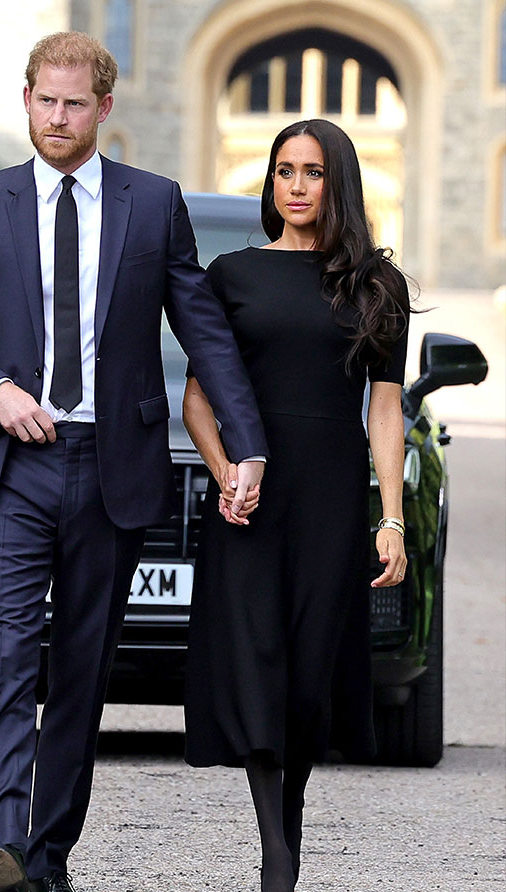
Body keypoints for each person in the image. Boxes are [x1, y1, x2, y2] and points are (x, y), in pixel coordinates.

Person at [0, 31, 267, 892]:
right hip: (7, 464)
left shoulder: (153, 204)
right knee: (8, 655)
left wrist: (247, 441)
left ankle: (46, 856)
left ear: (104, 108)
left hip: (113, 465)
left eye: (76, 104)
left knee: (79, 672)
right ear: (25, 99)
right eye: (45, 100)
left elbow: (202, 329)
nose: (58, 118)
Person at [182, 118, 410, 892]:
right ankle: (277, 856)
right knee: (256, 660)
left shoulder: (378, 284)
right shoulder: (232, 274)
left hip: (330, 497)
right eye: (284, 171)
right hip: (253, 497)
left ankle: (290, 823)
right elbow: (198, 398)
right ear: (271, 182)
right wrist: (223, 474)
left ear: (337, 181)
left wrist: (391, 518)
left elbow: (385, 410)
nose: (297, 186)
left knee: (311, 671)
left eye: (313, 172)